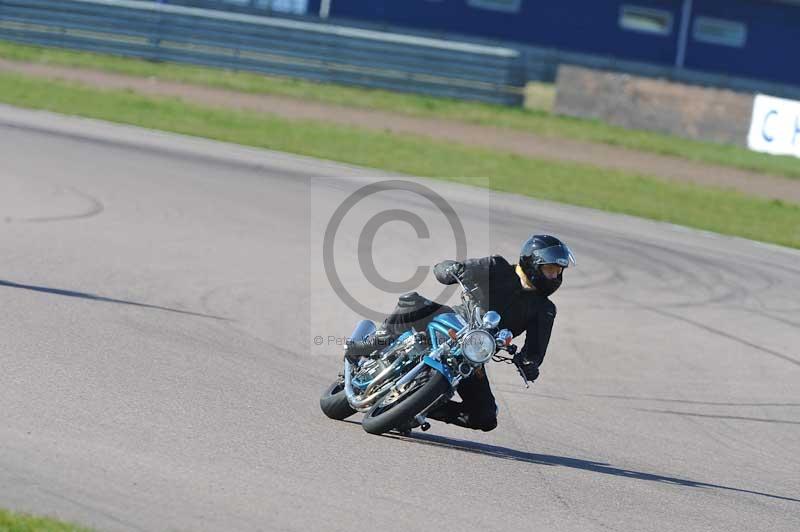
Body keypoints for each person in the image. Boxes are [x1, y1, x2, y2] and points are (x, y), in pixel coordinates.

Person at [345, 234, 575, 432]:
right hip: (453, 322)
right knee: (413, 302)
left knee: (485, 416)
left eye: (558, 272)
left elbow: (535, 350)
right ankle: (379, 339)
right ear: (533, 264)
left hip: (474, 350)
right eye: (550, 270)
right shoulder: (497, 267)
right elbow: (450, 269)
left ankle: (419, 407)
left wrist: (530, 364)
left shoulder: (544, 309)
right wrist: (452, 269)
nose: (555, 277)